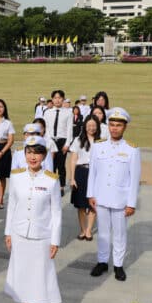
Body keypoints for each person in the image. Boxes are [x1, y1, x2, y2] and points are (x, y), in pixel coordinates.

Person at [4, 136, 62, 303]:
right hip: (19, 233)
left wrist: (55, 240)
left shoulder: (51, 180)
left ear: (44, 155)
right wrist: (8, 232)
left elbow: (56, 212)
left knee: (39, 274)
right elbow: (12, 205)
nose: (33, 157)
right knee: (22, 272)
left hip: (41, 235)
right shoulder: (17, 177)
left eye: (37, 153)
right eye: (29, 152)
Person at [86, 108, 141, 281]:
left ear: (124, 127)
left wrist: (131, 203)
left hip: (120, 200)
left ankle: (118, 265)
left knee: (119, 234)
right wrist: (90, 194)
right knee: (103, 233)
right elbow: (92, 172)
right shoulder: (98, 146)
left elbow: (134, 179)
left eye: (118, 125)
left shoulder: (132, 150)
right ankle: (102, 262)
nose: (114, 128)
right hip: (101, 197)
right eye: (112, 124)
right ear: (108, 126)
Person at [69, 114, 100, 241]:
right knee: (81, 205)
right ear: (85, 126)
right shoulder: (78, 140)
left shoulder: (101, 141)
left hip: (96, 173)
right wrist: (72, 178)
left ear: (97, 126)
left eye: (94, 125)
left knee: (93, 204)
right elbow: (73, 160)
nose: (91, 128)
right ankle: (82, 230)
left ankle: (89, 230)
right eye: (89, 125)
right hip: (81, 172)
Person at [43, 90, 74, 196]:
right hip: (50, 140)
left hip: (62, 141)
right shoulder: (47, 112)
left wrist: (67, 144)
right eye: (55, 98)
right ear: (52, 99)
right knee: (50, 164)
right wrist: (49, 141)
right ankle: (50, 186)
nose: (57, 100)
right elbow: (46, 128)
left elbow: (69, 129)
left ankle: (61, 186)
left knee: (61, 165)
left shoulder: (68, 113)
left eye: (59, 98)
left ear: (63, 99)